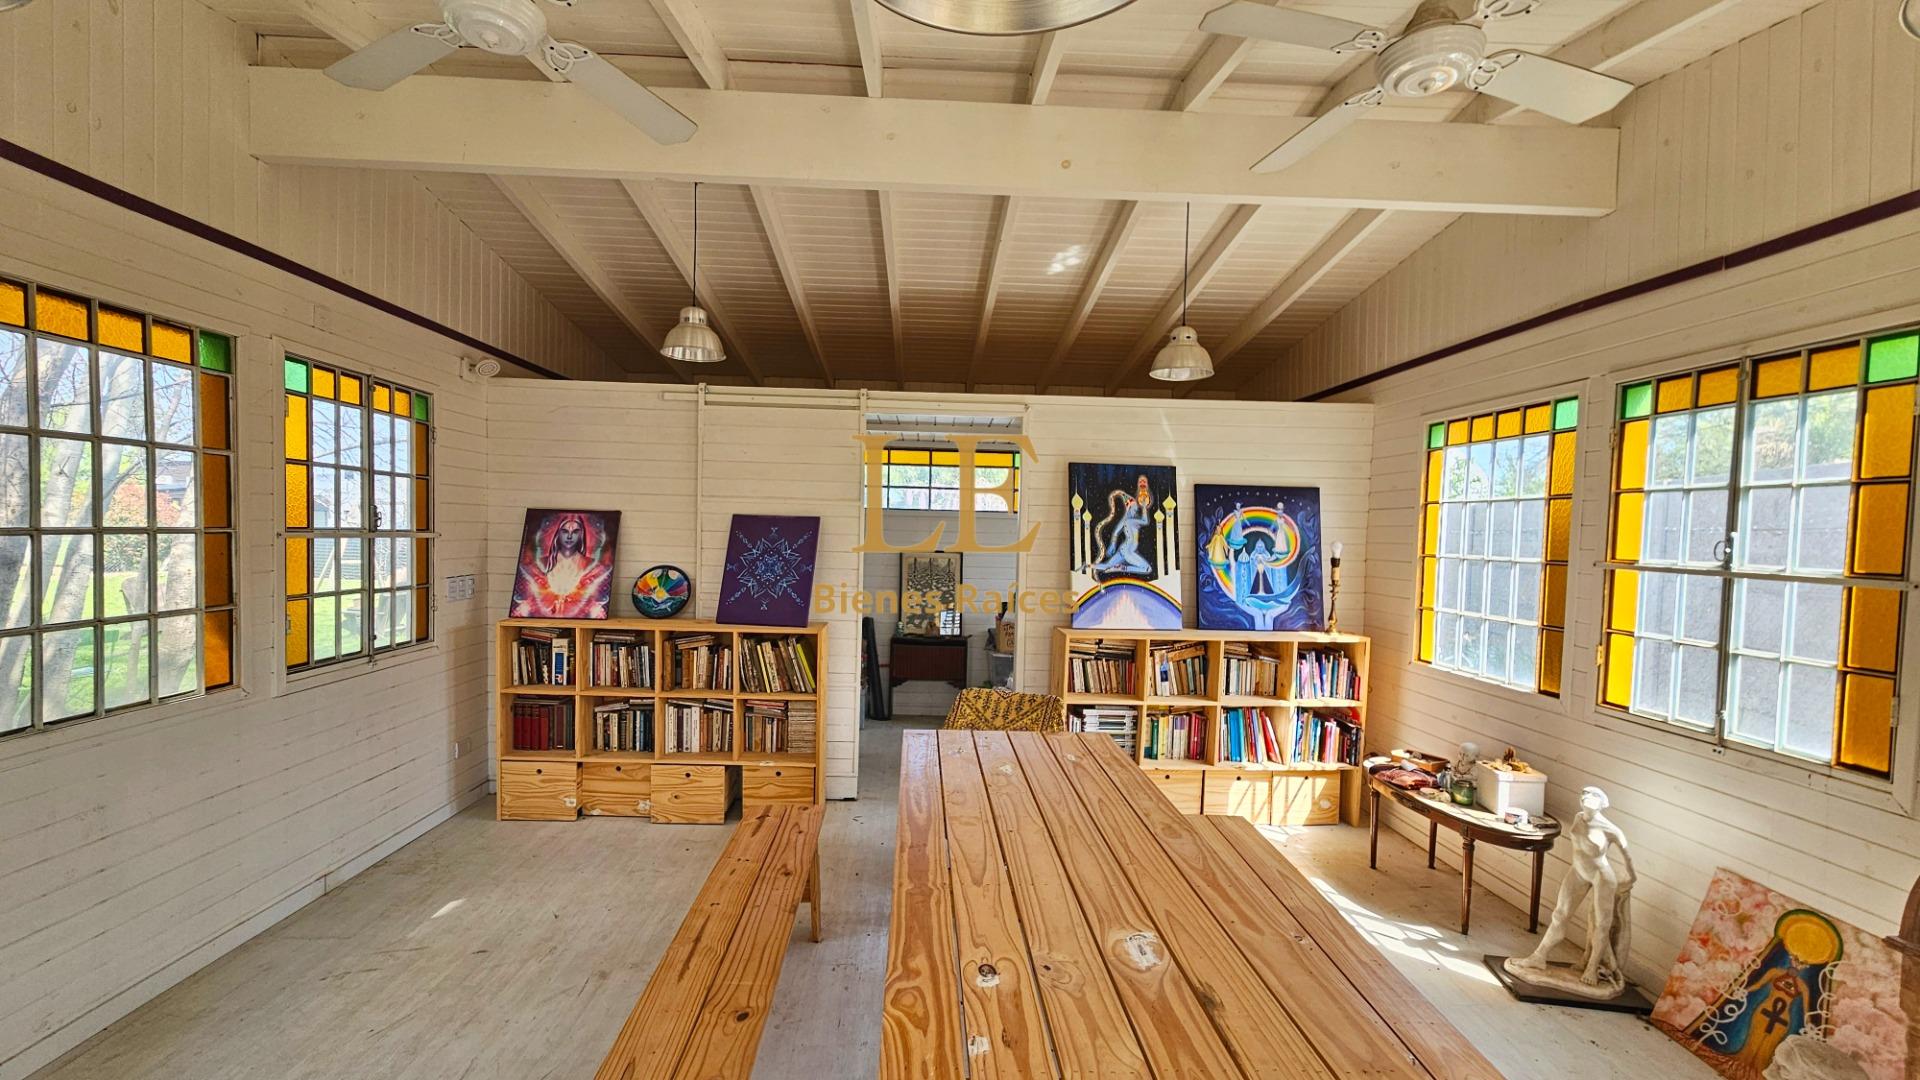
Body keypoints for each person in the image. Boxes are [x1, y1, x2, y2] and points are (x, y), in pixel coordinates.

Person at [1508, 786, 1636, 997]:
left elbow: (1627, 856)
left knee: (1601, 924)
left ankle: (1591, 967)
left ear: (1602, 803)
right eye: (1585, 795)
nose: (1587, 798)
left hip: (1601, 876)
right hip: (1578, 870)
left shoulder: (1611, 829)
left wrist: (1630, 876)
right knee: (1560, 914)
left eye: (1593, 796)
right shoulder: (1578, 817)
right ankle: (1538, 957)